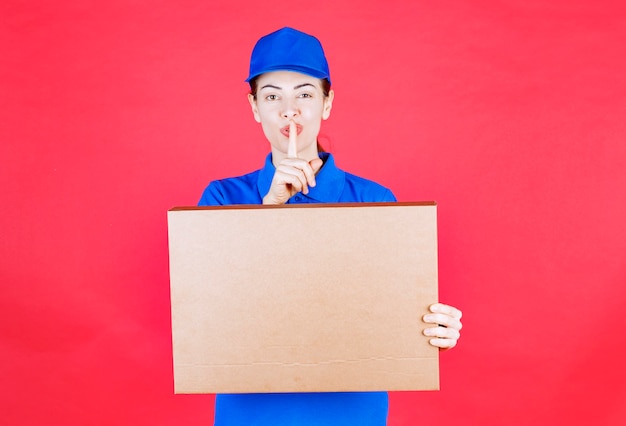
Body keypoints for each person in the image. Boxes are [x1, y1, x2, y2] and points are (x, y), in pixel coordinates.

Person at [198, 27, 463, 426]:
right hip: (250, 409)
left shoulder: (375, 201)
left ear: (327, 103)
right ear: (254, 107)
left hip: (351, 409)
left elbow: (389, 320)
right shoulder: (220, 199)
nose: (290, 111)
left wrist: (433, 331)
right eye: (272, 96)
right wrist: (270, 206)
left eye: (305, 94)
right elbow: (205, 314)